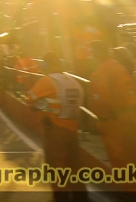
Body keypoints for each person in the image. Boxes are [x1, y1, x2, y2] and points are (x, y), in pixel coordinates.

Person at [27, 53, 85, 202]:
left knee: (56, 165)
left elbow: (31, 99)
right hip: (73, 127)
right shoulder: (72, 80)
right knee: (74, 165)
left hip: (55, 127)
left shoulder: (47, 80)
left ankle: (61, 197)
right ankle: (81, 196)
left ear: (46, 64)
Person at [88, 42, 136, 182]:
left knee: (120, 155)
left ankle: (131, 190)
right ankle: (133, 187)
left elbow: (102, 97)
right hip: (124, 116)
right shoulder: (117, 67)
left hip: (114, 119)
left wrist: (101, 117)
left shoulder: (104, 70)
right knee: (129, 154)